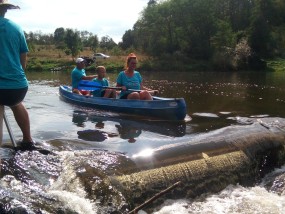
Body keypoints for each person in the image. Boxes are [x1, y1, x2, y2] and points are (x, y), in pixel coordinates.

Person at [0, 1, 35, 149]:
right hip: (19, 86)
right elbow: (23, 63)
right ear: (5, 10)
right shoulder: (16, 28)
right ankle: (28, 140)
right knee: (16, 104)